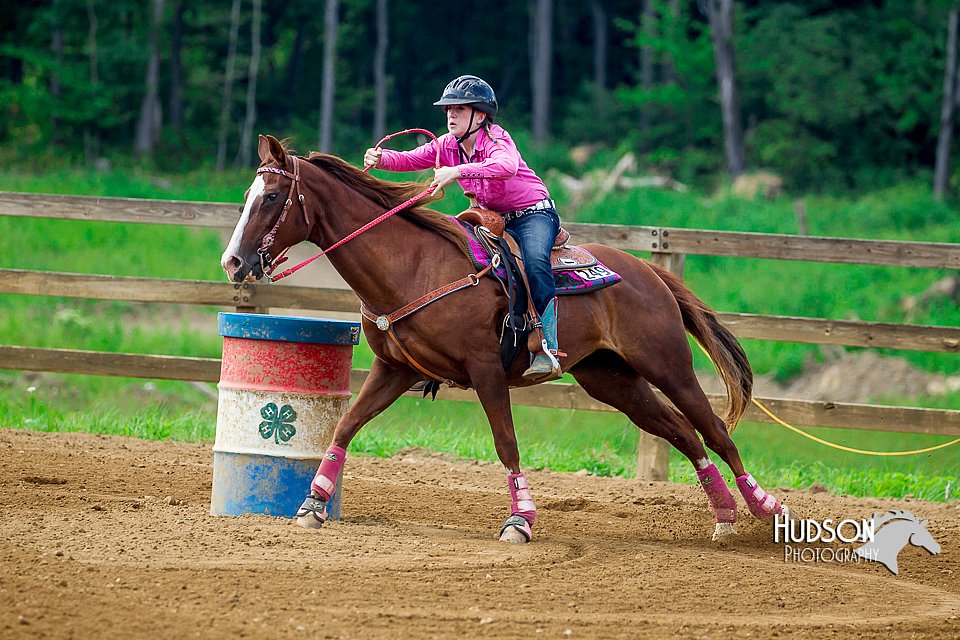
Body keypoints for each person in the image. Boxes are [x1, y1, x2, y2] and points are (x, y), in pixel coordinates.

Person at [364, 75, 562, 381]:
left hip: (532, 214)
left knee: (535, 262)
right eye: (448, 109)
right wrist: (382, 159)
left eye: (459, 108)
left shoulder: (497, 139)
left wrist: (457, 170)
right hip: (491, 218)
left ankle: (546, 346)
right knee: (451, 256)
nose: (450, 114)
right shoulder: (446, 144)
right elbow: (410, 159)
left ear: (480, 116)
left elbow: (507, 166)